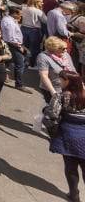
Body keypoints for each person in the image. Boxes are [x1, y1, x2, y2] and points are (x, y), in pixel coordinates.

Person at [46, 70, 85, 202]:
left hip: (68, 134)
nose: (59, 81)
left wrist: (53, 133)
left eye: (61, 79)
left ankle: (74, 195)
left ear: (68, 81)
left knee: (71, 166)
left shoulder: (61, 96)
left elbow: (52, 116)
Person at [0, 6, 29, 92]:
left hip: (12, 44)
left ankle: (3, 75)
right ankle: (19, 84)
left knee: (8, 61)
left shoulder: (9, 19)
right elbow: (11, 39)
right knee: (20, 65)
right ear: (14, 13)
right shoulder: (10, 23)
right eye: (20, 14)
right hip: (13, 45)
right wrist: (20, 47)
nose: (21, 16)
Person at [40, 36, 77, 102]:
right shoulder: (43, 57)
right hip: (53, 89)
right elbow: (44, 76)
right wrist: (53, 92)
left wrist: (80, 83)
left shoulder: (65, 54)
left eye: (66, 48)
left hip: (68, 87)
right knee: (54, 109)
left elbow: (73, 70)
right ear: (54, 49)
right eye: (63, 49)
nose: (65, 50)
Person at [22, 0, 47, 65]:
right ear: (36, 2)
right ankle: (32, 63)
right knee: (34, 48)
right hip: (34, 30)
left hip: (24, 28)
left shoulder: (24, 8)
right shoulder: (38, 11)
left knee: (24, 46)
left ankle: (23, 61)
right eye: (41, 2)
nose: (42, 3)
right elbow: (46, 21)